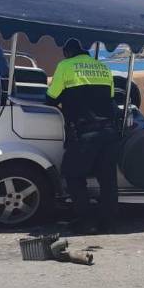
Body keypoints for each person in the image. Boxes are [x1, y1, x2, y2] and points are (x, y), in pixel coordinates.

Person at [46, 39, 119, 234]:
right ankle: (108, 222)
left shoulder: (65, 66)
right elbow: (110, 99)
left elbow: (51, 97)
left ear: (67, 52)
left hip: (85, 132)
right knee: (107, 179)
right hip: (109, 132)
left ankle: (86, 221)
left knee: (73, 175)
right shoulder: (103, 67)